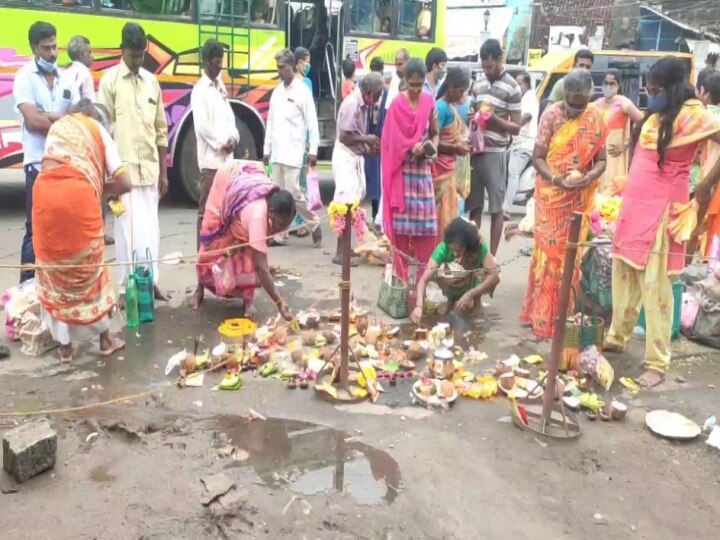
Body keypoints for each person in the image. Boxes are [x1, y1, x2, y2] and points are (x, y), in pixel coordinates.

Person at [606, 57, 720, 387]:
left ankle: (657, 362)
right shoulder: (658, 113)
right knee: (624, 274)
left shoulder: (695, 115)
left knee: (655, 287)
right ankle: (617, 335)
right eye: (648, 88)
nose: (649, 93)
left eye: (655, 88)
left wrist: (706, 185)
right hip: (634, 208)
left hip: (662, 211)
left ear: (671, 87)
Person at [33, 99, 131, 363]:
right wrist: (102, 186)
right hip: (77, 200)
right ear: (96, 117)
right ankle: (105, 341)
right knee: (91, 269)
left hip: (43, 198)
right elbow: (125, 182)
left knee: (57, 272)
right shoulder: (95, 128)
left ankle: (65, 348)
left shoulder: (59, 126)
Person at [519, 69, 608, 339]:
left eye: (581, 104)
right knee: (547, 256)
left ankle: (563, 315)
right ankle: (542, 315)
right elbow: (538, 157)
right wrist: (557, 179)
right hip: (551, 197)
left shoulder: (595, 117)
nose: (576, 109)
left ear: (590, 96)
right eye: (572, 102)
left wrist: (589, 176)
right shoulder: (551, 114)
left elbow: (601, 160)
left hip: (578, 198)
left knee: (571, 257)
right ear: (564, 95)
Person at [98, 23, 170, 306]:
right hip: (122, 175)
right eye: (133, 56)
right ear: (122, 50)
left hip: (150, 172)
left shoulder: (152, 81)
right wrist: (108, 181)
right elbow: (102, 132)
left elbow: (160, 129)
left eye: (141, 56)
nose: (138, 61)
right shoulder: (110, 81)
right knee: (126, 235)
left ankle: (151, 283)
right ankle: (126, 290)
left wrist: (164, 172)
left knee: (151, 231)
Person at [192, 160, 297, 317]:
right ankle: (199, 289)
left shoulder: (271, 199)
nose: (282, 230)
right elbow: (261, 267)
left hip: (244, 179)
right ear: (272, 212)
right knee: (212, 245)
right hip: (225, 183)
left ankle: (248, 300)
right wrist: (279, 303)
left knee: (248, 249)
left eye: (286, 226)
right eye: (280, 224)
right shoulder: (258, 216)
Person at [13, 21, 69, 283]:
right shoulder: (24, 77)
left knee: (61, 229)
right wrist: (61, 120)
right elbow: (33, 123)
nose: (52, 53)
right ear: (34, 48)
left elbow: (78, 116)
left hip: (64, 164)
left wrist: (49, 117)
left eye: (55, 47)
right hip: (37, 165)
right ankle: (26, 288)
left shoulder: (65, 77)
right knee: (35, 229)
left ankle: (54, 285)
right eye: (46, 48)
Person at [381, 58, 439, 281]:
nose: (416, 89)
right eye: (412, 84)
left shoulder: (429, 101)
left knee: (427, 229)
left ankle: (422, 282)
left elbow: (435, 132)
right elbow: (389, 142)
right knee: (402, 231)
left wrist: (430, 147)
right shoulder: (396, 104)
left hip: (422, 174)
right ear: (404, 81)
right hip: (402, 173)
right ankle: (401, 282)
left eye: (419, 84)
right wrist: (408, 148)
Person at [262, 48, 321, 246]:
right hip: (277, 153)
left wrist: (313, 150)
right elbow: (270, 122)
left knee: (294, 194)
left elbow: (312, 122)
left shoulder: (303, 91)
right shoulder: (277, 92)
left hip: (294, 151)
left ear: (293, 66)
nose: (280, 71)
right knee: (276, 196)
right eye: (278, 68)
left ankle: (313, 223)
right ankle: (278, 234)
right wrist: (266, 150)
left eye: (283, 67)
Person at [468, 39, 521, 255]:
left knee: (496, 208)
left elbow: (515, 127)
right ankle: (472, 254)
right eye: (484, 67)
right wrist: (472, 116)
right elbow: (470, 111)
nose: (487, 71)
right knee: (474, 206)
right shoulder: (478, 83)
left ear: (500, 60)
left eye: (490, 66)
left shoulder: (512, 87)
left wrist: (494, 120)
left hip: (496, 154)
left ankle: (492, 258)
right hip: (476, 151)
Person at [191, 38, 239, 252]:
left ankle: (221, 255)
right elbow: (202, 127)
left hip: (227, 162)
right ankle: (202, 259)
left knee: (225, 211)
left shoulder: (220, 87)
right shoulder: (200, 90)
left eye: (221, 62)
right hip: (211, 163)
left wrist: (234, 139)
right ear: (206, 62)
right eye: (215, 62)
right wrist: (221, 144)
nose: (219, 66)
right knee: (206, 213)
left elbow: (230, 120)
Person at [331, 72, 384, 265]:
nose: (377, 100)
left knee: (352, 204)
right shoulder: (352, 104)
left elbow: (355, 134)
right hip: (345, 156)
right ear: (369, 92)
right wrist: (366, 139)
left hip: (353, 156)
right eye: (377, 95)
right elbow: (345, 137)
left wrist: (367, 146)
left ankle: (345, 249)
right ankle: (340, 253)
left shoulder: (362, 104)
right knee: (344, 204)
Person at [411, 217, 499, 324]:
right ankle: (451, 300)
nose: (455, 254)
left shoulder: (478, 247)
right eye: (452, 249)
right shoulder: (443, 249)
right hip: (456, 277)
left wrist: (470, 294)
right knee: (441, 272)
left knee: (483, 273)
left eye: (459, 250)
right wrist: (419, 306)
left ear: (468, 246)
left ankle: (477, 302)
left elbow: (494, 276)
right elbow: (424, 279)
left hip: (473, 277)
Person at [432, 67, 471, 245]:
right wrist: (455, 147)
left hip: (450, 168)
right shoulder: (441, 107)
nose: (463, 96)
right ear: (451, 87)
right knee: (442, 215)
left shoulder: (449, 107)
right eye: (461, 91)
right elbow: (434, 143)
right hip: (440, 170)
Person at [594, 68, 643, 194]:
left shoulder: (623, 103)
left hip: (615, 153)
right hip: (598, 154)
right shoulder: (596, 104)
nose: (608, 86)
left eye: (612, 83)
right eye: (605, 83)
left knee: (613, 187)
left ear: (618, 85)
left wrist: (626, 144)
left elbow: (643, 121)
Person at [504, 72, 539, 214]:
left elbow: (527, 116)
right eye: (516, 82)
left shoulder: (530, 97)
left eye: (520, 83)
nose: (517, 86)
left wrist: (514, 127)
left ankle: (506, 208)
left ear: (527, 84)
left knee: (513, 172)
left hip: (525, 144)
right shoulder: (522, 98)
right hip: (518, 143)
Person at [697, 72, 720, 269]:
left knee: (701, 223)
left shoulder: (708, 116)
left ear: (705, 93)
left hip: (710, 175)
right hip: (713, 176)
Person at [365, 57, 388, 224]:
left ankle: (380, 218)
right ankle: (374, 214)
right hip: (369, 141)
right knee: (372, 180)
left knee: (381, 182)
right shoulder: (367, 93)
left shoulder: (387, 95)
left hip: (382, 142)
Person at [61, 35, 95, 103]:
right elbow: (91, 104)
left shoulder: (63, 74)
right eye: (90, 52)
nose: (92, 56)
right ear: (83, 54)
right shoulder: (85, 75)